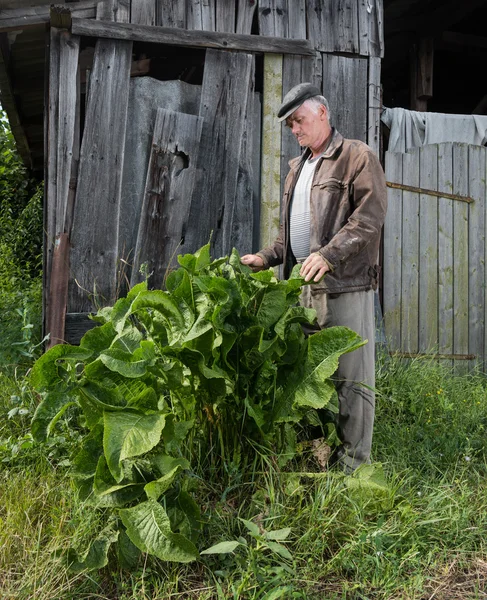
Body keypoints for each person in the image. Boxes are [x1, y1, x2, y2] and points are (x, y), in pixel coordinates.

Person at [241, 83, 387, 473]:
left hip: (344, 285)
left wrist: (328, 255)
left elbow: (368, 221)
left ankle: (354, 469)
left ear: (322, 113)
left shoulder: (356, 156)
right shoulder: (298, 168)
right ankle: (317, 459)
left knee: (351, 380)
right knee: (307, 379)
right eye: (290, 125)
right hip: (302, 289)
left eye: (299, 121)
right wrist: (266, 257)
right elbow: (292, 235)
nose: (295, 130)